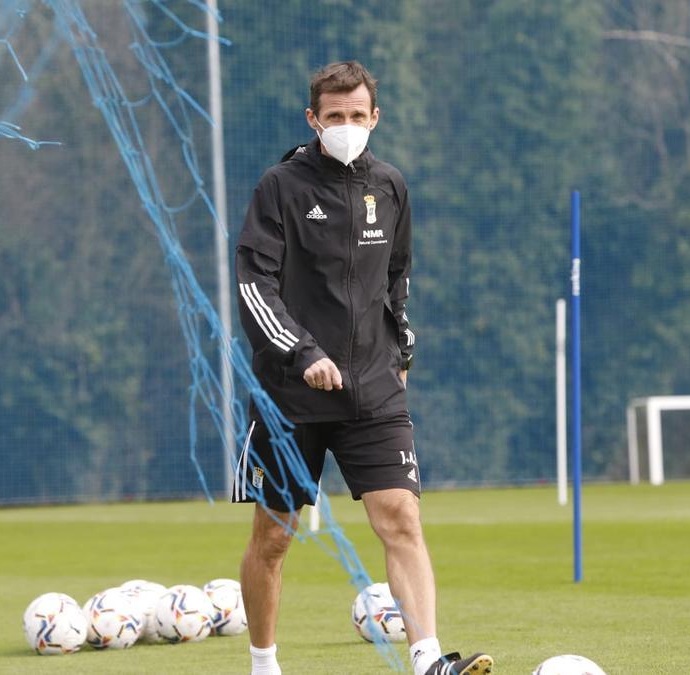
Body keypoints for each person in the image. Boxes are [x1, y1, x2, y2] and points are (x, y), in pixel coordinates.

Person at [233, 60, 494, 675]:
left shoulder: (392, 186)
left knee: (401, 517)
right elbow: (253, 285)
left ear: (375, 118)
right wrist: (303, 354)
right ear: (312, 120)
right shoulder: (279, 187)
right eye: (334, 117)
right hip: (289, 398)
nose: (346, 126)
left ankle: (428, 660)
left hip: (374, 390)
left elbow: (397, 278)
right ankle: (263, 664)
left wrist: (401, 351)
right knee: (273, 538)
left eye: (357, 116)